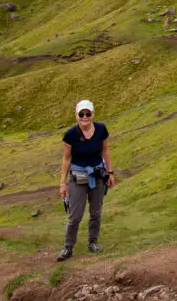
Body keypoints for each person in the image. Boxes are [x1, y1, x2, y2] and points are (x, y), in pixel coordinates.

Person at [57, 99, 115, 261]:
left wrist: (109, 173)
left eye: (87, 113)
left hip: (98, 175)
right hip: (78, 176)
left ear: (92, 114)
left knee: (96, 212)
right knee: (75, 215)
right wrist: (63, 183)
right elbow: (66, 159)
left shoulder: (101, 129)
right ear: (76, 115)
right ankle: (68, 247)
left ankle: (92, 242)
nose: (84, 117)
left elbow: (105, 152)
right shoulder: (70, 135)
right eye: (81, 114)